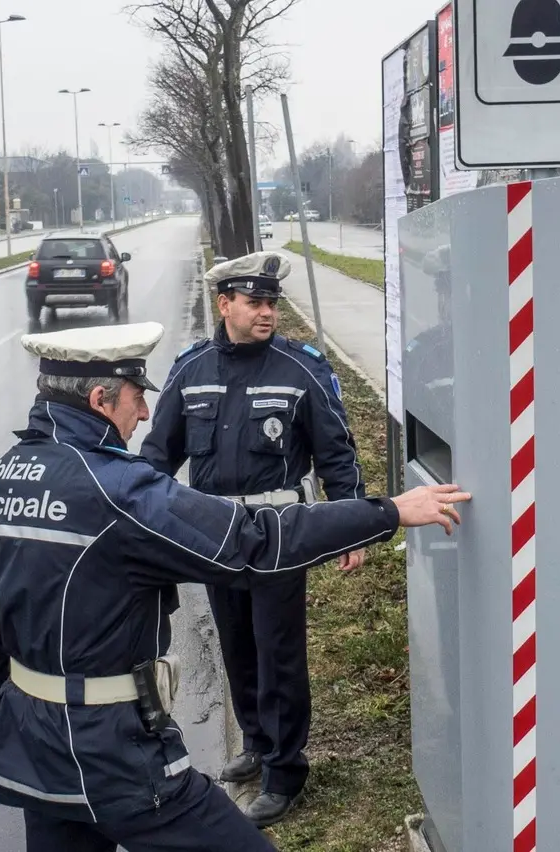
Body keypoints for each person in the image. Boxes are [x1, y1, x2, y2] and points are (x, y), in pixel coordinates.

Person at [0, 321, 470, 852]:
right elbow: (253, 542)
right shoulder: (119, 491)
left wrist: (29, 716)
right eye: (136, 396)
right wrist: (386, 513)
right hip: (116, 754)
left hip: (34, 754)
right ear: (101, 398)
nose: (146, 413)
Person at [139, 252, 364, 826]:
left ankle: (287, 771)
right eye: (255, 303)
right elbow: (157, 457)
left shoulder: (300, 369)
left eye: (272, 303)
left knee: (278, 652)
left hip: (279, 536)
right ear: (225, 305)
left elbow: (337, 454)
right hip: (216, 536)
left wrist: (351, 527)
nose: (267, 313)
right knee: (237, 644)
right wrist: (143, 529)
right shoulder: (191, 370)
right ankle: (257, 743)